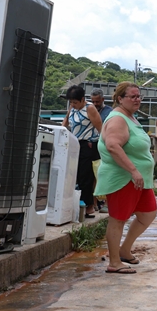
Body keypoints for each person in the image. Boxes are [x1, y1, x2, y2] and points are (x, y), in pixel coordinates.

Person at [95, 82, 157, 274]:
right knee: (118, 219)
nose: (137, 99)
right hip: (123, 177)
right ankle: (114, 262)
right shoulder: (118, 119)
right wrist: (133, 170)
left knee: (148, 213)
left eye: (139, 96)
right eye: (133, 96)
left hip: (138, 180)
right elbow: (113, 146)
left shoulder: (130, 117)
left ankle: (124, 250)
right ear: (120, 99)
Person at [63, 85, 103, 217]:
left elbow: (100, 128)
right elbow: (66, 121)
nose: (73, 105)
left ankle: (89, 206)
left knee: (85, 177)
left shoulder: (90, 108)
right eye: (71, 102)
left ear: (82, 99)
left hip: (88, 145)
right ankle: (74, 205)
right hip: (74, 143)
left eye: (75, 102)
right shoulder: (72, 108)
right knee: (73, 175)